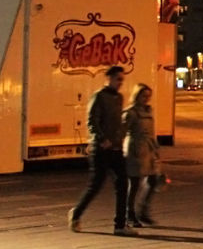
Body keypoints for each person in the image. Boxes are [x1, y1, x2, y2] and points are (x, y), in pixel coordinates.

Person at [69, 66, 134, 236]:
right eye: (118, 79)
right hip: (101, 149)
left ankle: (120, 225)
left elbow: (117, 123)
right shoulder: (99, 97)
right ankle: (76, 214)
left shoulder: (119, 98)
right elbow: (91, 121)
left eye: (122, 79)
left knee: (122, 184)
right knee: (96, 185)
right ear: (109, 79)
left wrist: (122, 135)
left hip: (117, 148)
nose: (120, 83)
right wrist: (101, 138)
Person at [123, 83, 161, 227]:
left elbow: (151, 131)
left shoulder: (148, 110)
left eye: (148, 96)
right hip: (135, 150)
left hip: (149, 149)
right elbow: (122, 131)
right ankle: (130, 214)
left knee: (152, 180)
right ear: (137, 95)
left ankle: (143, 210)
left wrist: (156, 149)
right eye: (143, 95)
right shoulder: (130, 112)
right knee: (134, 184)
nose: (146, 99)